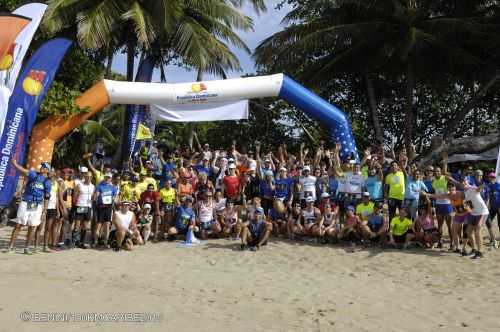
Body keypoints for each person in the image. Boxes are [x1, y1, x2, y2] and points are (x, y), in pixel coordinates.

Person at [5, 161, 51, 255]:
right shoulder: (33, 174)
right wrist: (15, 164)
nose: (41, 167)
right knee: (18, 225)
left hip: (37, 205)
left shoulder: (47, 182)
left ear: (47, 170)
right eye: (41, 166)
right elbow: (23, 171)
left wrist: (44, 210)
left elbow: (46, 197)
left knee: (32, 226)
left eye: (44, 167)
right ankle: (11, 247)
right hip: (26, 202)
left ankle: (27, 248)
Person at [35, 169, 63, 252]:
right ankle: (35, 246)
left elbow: (57, 198)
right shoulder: (44, 182)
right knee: (39, 227)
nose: (50, 174)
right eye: (49, 173)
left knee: (48, 228)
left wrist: (58, 210)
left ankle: (45, 246)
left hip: (52, 208)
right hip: (43, 207)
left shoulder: (56, 184)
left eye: (52, 173)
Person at [94, 172, 118, 248]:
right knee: (98, 225)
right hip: (100, 207)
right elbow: (97, 195)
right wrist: (97, 197)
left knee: (107, 226)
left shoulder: (113, 187)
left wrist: (113, 199)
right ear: (104, 178)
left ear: (111, 179)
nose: (107, 179)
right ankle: (95, 241)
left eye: (109, 177)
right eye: (106, 177)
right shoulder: (99, 186)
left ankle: (106, 242)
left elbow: (115, 197)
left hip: (109, 207)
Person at [72, 170, 95, 248]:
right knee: (77, 225)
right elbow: (74, 196)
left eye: (90, 177)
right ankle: (74, 241)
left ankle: (81, 242)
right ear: (84, 177)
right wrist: (76, 205)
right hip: (80, 206)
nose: (88, 178)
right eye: (87, 176)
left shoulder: (92, 186)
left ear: (91, 178)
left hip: (88, 207)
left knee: (85, 226)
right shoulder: (79, 185)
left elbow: (92, 197)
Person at [432, 166, 453, 249]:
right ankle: (440, 242)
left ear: (441, 172)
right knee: (439, 225)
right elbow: (435, 193)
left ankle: (452, 243)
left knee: (449, 225)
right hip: (438, 204)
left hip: (447, 204)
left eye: (438, 171)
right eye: (435, 171)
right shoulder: (433, 181)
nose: (437, 172)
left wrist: (445, 162)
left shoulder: (445, 178)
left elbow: (448, 176)